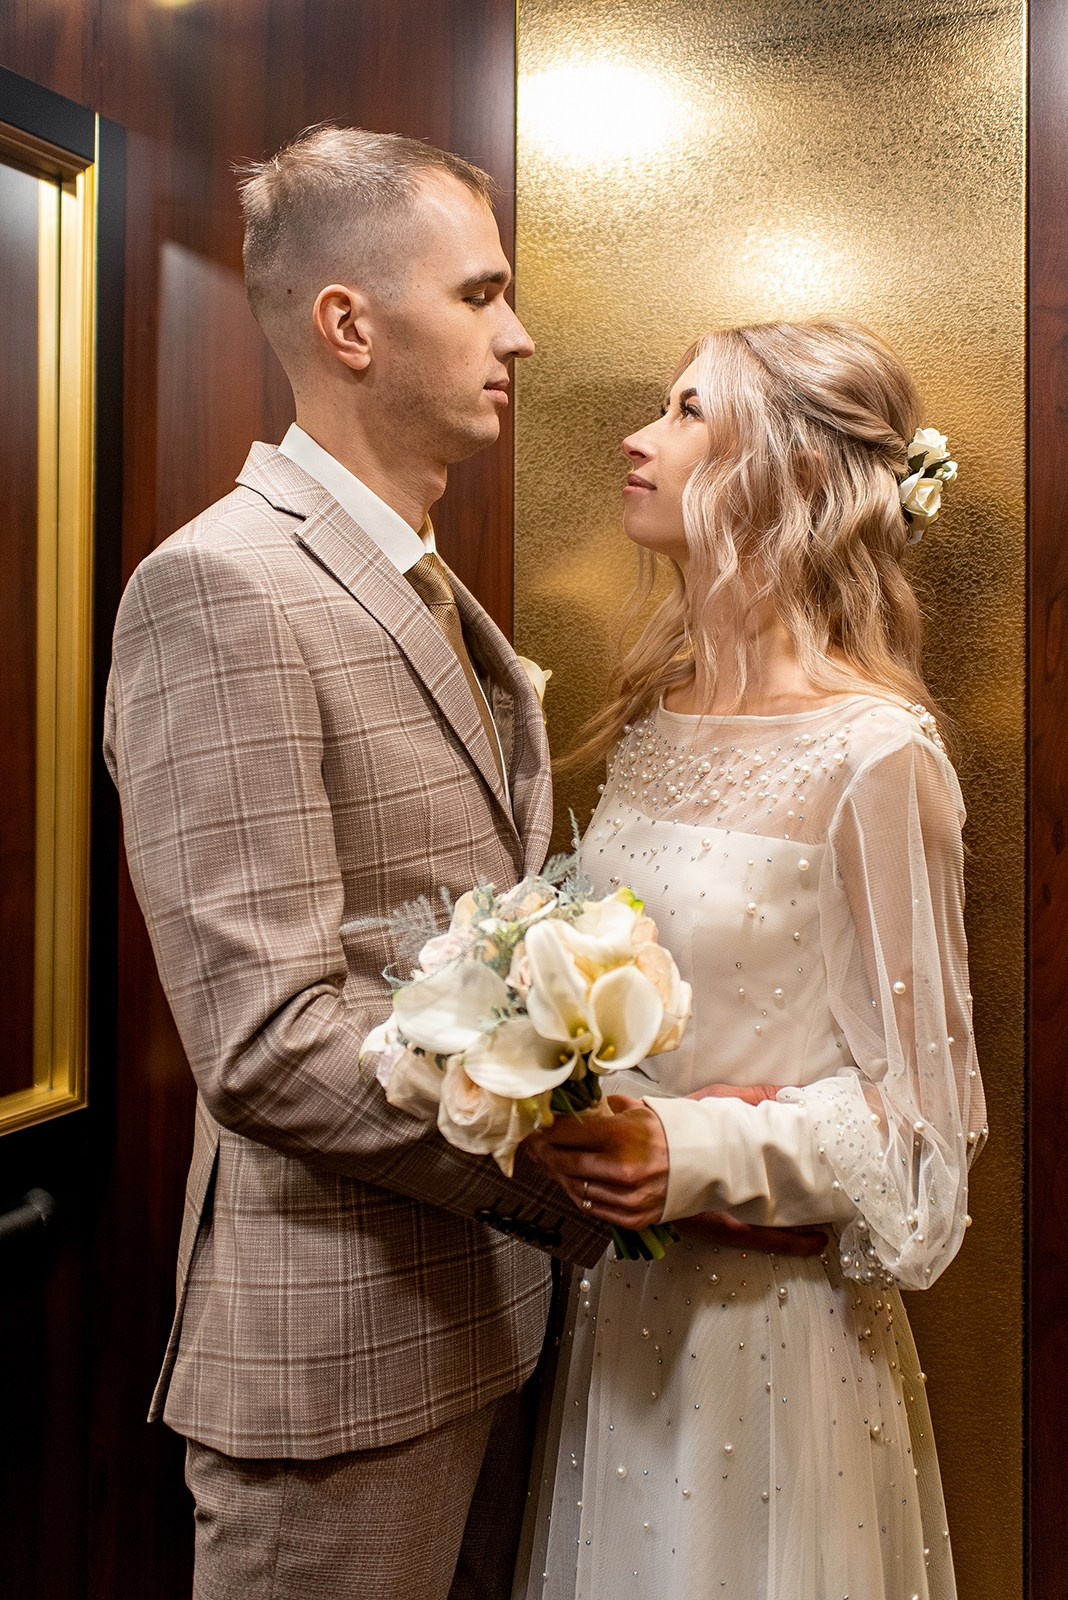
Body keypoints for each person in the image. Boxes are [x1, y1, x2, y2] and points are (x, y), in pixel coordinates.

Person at [103, 125, 615, 1600]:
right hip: (334, 1369)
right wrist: (556, 1163)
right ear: (348, 323)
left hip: (487, 1327)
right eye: (479, 294)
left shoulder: (423, 575)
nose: (517, 336)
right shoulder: (223, 586)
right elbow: (264, 1041)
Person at [521, 319, 987, 1600]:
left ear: (791, 472)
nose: (638, 439)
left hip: (771, 1343)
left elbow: (927, 1144)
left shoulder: (876, 753)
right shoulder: (654, 714)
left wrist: (697, 1151)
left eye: (686, 412)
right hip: (619, 1319)